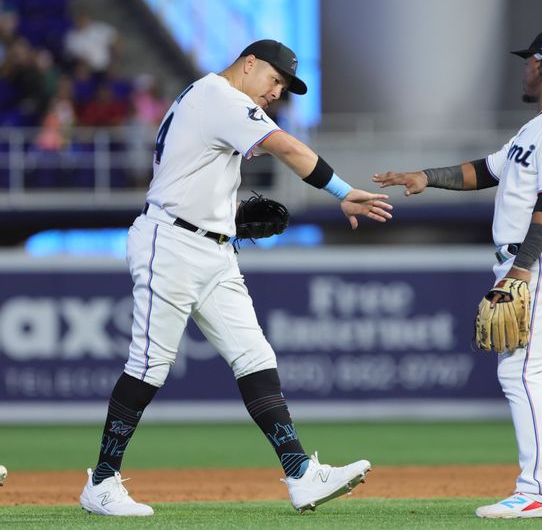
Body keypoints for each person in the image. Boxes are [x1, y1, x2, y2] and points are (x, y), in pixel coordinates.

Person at [79, 39, 392, 517]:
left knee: (254, 356)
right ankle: (101, 483)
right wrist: (343, 192)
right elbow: (286, 145)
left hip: (212, 247)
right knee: (149, 365)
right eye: (275, 80)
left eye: (284, 86)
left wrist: (228, 214)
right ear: (249, 64)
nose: (277, 92)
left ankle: (300, 473)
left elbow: (193, 172)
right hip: (173, 243)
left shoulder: (211, 101)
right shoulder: (220, 98)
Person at [374, 29, 542, 519]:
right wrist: (425, 177)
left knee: (520, 369)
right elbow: (487, 170)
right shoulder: (540, 125)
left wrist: (519, 270)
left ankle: (538, 490)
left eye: (530, 61)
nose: (524, 69)